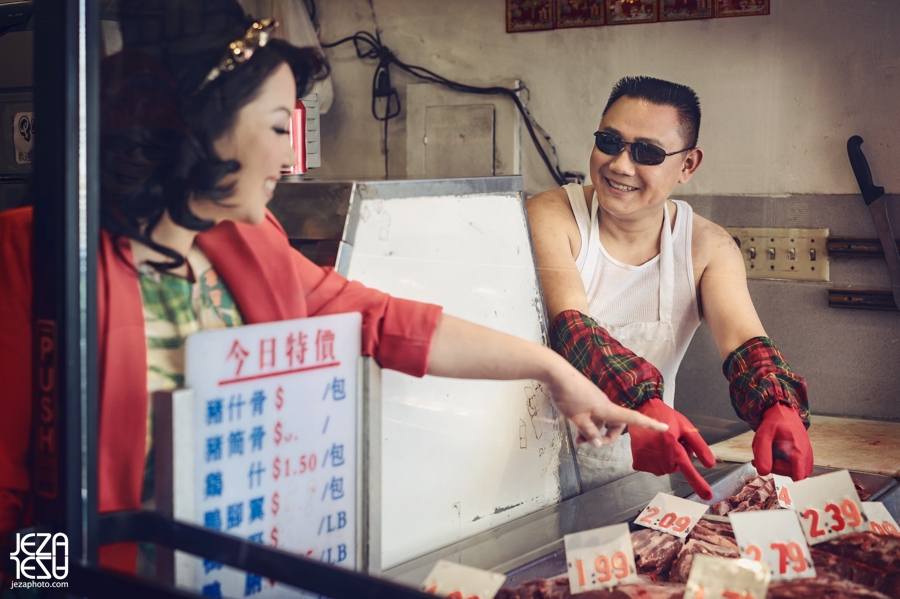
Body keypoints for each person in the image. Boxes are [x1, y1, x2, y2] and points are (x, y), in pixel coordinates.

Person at [0, 8, 667, 575]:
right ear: (201, 127)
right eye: (273, 127)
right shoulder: (30, 251)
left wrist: (553, 369)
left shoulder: (248, 242)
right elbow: (9, 498)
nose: (289, 160)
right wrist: (57, 583)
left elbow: (385, 321)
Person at [527, 76, 813, 499]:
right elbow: (572, 327)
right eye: (610, 141)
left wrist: (778, 405)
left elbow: (744, 342)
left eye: (647, 152)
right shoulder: (551, 215)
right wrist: (643, 402)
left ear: (688, 165)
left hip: (640, 467)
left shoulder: (708, 247)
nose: (621, 165)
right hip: (532, 471)